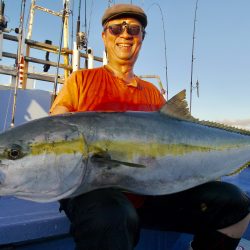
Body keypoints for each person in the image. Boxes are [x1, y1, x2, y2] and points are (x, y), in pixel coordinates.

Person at [50, 3, 250, 250]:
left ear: (142, 39)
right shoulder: (79, 81)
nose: (125, 34)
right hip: (91, 192)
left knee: (234, 202)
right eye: (115, 28)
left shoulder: (152, 93)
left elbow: (174, 139)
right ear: (104, 36)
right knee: (113, 214)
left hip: (150, 194)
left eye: (134, 29)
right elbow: (55, 130)